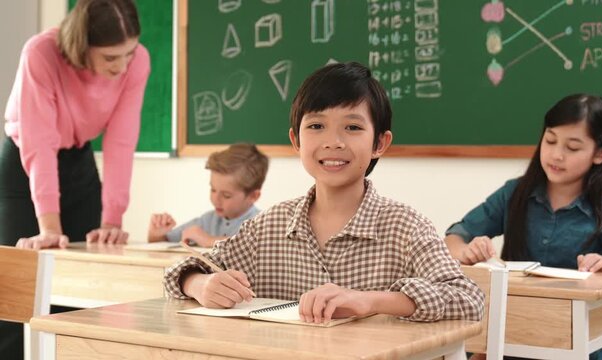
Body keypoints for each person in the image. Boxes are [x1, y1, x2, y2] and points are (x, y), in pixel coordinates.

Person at [164, 62, 484, 324]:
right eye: (317, 126)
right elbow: (178, 274)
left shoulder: (406, 227)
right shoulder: (269, 227)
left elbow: (468, 299)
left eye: (353, 127)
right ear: (296, 140)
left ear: (380, 144)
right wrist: (201, 285)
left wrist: (370, 301)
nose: (333, 141)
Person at [0, 0, 149, 357]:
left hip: (78, 157)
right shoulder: (41, 53)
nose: (123, 65)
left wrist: (112, 219)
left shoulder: (137, 61)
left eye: (128, 53)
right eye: (111, 58)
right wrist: (49, 227)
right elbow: (38, 143)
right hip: (24, 163)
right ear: (82, 47)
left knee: (78, 286)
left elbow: (121, 141)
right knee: (18, 289)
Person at [444, 94, 602, 360]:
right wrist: (466, 252)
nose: (556, 154)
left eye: (573, 147)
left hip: (583, 346)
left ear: (601, 154)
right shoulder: (514, 193)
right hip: (515, 336)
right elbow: (454, 237)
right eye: (550, 140)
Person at [148, 143, 268, 248]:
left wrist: (209, 240)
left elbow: (253, 246)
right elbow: (163, 243)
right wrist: (156, 234)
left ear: (253, 196)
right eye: (213, 190)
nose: (216, 199)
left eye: (226, 195)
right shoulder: (207, 220)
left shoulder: (262, 224)